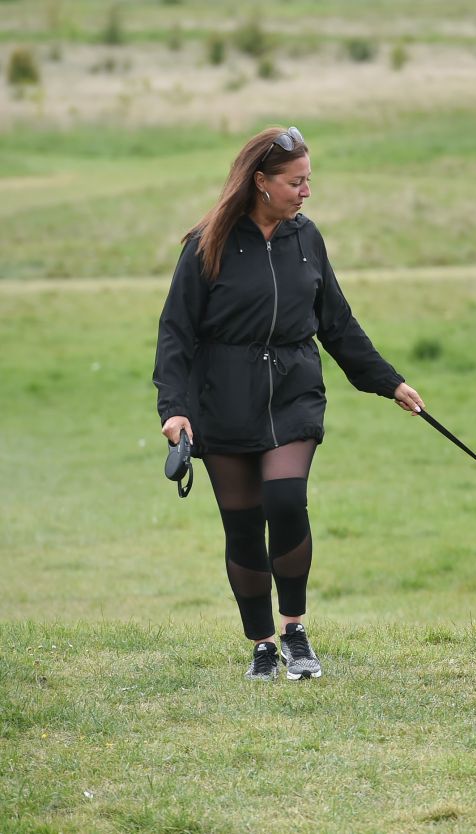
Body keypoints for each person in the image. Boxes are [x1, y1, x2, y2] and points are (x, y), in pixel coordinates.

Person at [154, 126, 425, 681]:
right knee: (243, 526)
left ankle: (295, 631)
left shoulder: (308, 238)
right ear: (261, 182)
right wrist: (174, 408)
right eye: (294, 182)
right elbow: (176, 332)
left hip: (294, 391)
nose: (305, 192)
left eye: (309, 181)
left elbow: (337, 323)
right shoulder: (207, 243)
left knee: (284, 501)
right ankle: (261, 645)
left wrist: (388, 381)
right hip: (223, 399)